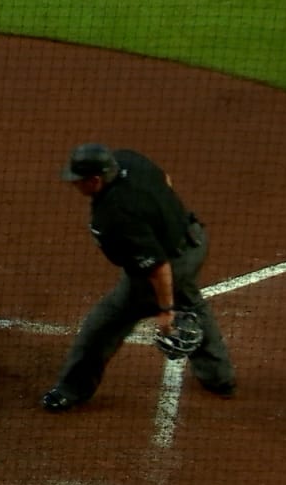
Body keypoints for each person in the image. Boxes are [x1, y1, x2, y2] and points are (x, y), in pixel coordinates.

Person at [41, 143, 236, 412]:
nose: (75, 185)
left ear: (95, 180)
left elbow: (158, 268)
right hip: (194, 238)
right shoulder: (127, 160)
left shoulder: (113, 215)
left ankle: (71, 389)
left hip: (171, 265)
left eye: (79, 180)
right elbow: (165, 180)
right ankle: (219, 377)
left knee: (105, 323)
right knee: (191, 304)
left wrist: (165, 310)